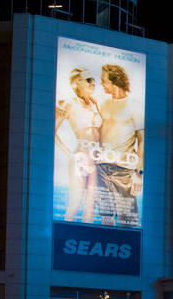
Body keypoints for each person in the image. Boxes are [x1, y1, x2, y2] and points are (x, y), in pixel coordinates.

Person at [95, 63, 144, 227]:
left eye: (104, 81)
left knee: (128, 221)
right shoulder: (103, 104)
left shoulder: (135, 106)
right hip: (101, 167)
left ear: (114, 81)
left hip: (123, 171)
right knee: (106, 219)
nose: (102, 84)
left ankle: (130, 250)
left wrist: (139, 173)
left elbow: (143, 140)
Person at [54, 67, 102, 223]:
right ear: (78, 83)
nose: (92, 84)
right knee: (75, 203)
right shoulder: (69, 103)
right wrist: (69, 154)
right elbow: (52, 130)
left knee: (91, 207)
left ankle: (86, 241)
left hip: (96, 160)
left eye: (94, 80)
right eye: (89, 80)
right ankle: (63, 239)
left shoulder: (95, 104)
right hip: (80, 157)